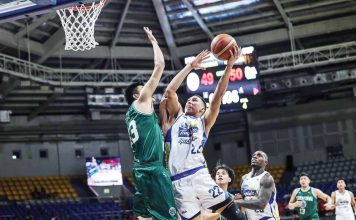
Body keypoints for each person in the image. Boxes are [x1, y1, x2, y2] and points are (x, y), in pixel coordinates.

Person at [160, 46, 245, 220]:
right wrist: (190, 66)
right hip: (177, 182)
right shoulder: (177, 117)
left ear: (203, 109)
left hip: (199, 175)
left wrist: (229, 65)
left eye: (196, 100)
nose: (190, 101)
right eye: (189, 99)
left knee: (235, 216)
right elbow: (169, 92)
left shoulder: (204, 122)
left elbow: (218, 96)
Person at [124, 27, 177, 220]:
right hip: (153, 170)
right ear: (137, 95)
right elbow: (160, 65)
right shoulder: (141, 101)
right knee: (170, 217)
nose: (150, 93)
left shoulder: (130, 115)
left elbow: (150, 134)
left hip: (140, 169)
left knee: (144, 217)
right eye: (144, 89)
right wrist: (154, 41)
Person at [235, 150, 280, 220]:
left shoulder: (267, 178)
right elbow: (244, 200)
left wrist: (236, 202)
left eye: (259, 155)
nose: (255, 157)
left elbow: (261, 204)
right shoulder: (244, 178)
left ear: (266, 162)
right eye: (253, 155)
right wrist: (239, 198)